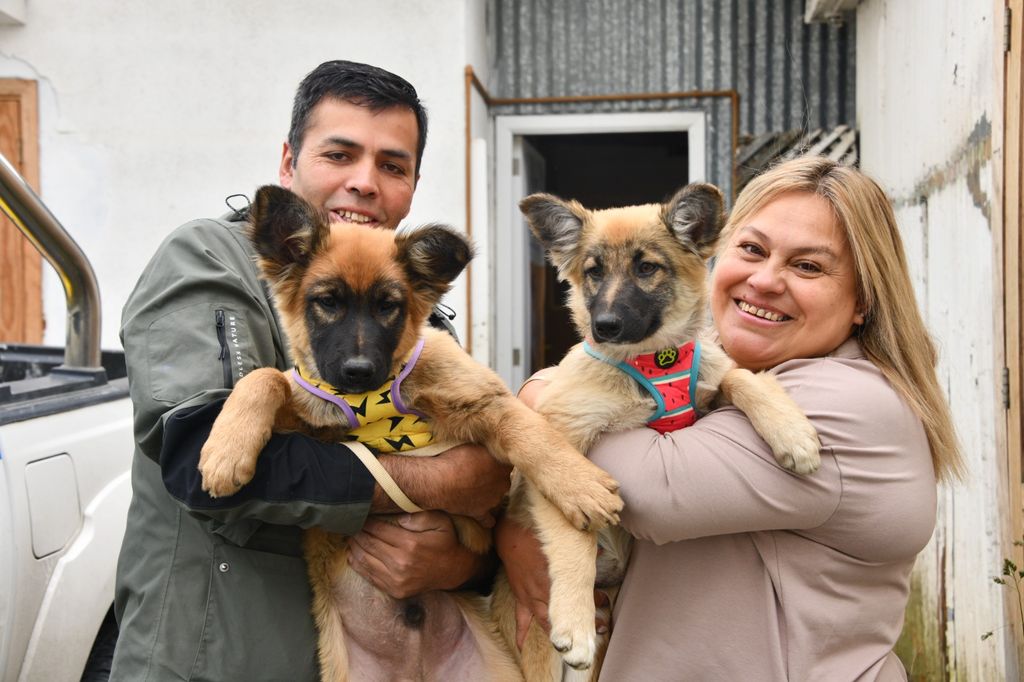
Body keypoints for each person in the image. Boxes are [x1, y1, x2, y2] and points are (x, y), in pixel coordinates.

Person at [110, 60, 510, 681]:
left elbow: (485, 509)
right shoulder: (212, 258)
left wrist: (458, 565)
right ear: (288, 160)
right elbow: (196, 457)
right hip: (221, 661)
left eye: (393, 165)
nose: (365, 183)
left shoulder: (410, 314)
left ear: (412, 186)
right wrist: (438, 481)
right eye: (339, 154)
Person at [497, 156, 963, 680]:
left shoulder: (851, 403)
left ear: (864, 302)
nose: (764, 280)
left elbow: (654, 491)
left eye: (807, 266)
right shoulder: (714, 362)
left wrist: (537, 397)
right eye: (752, 249)